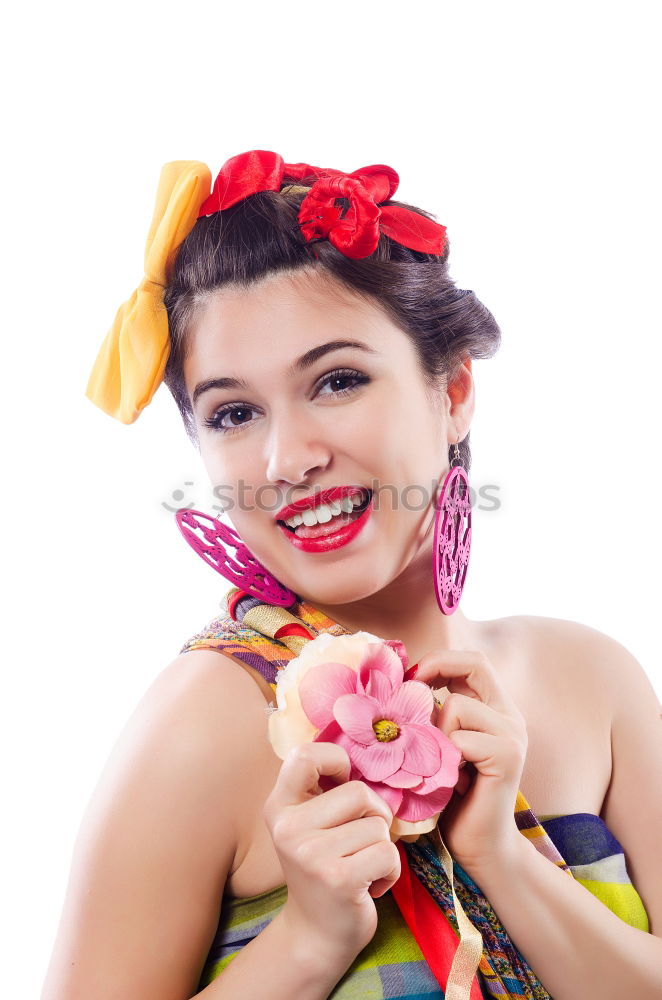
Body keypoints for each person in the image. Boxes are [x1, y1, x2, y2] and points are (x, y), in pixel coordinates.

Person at [41, 150, 661, 1000]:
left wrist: (502, 860)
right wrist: (306, 940)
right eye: (233, 412)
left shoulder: (595, 680)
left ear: (453, 391)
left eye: (336, 380)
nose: (287, 458)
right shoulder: (200, 728)